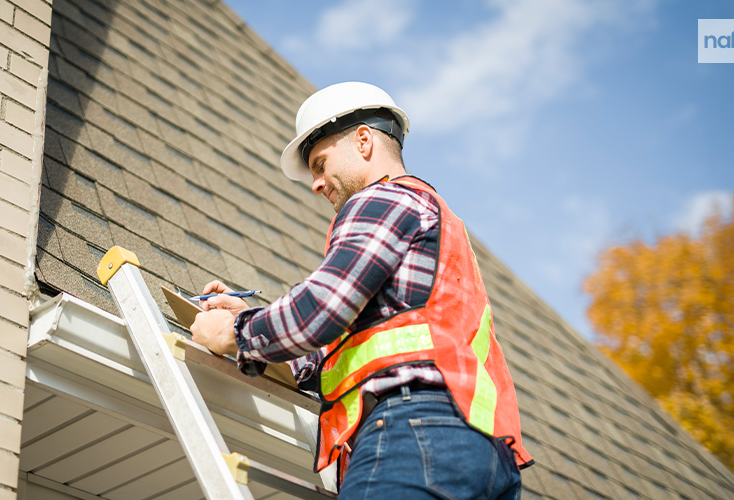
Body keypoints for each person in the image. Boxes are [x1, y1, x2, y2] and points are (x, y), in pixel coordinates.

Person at [189, 82, 533, 499]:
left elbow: (321, 310)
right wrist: (256, 317)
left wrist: (233, 333)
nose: (315, 184)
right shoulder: (437, 221)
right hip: (486, 457)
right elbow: (344, 347)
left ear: (364, 141)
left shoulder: (383, 198)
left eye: (320, 164)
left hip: (415, 433)